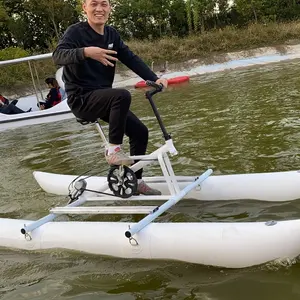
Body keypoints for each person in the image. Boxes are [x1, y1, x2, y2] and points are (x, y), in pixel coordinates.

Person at [52, 0, 168, 195]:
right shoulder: (76, 32)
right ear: (84, 7)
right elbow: (58, 56)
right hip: (81, 99)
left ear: (110, 8)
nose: (99, 9)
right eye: (94, 4)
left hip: (104, 98)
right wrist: (86, 52)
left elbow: (130, 58)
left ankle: (135, 181)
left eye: (104, 4)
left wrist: (155, 79)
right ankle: (113, 150)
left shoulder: (111, 34)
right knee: (121, 95)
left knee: (140, 132)